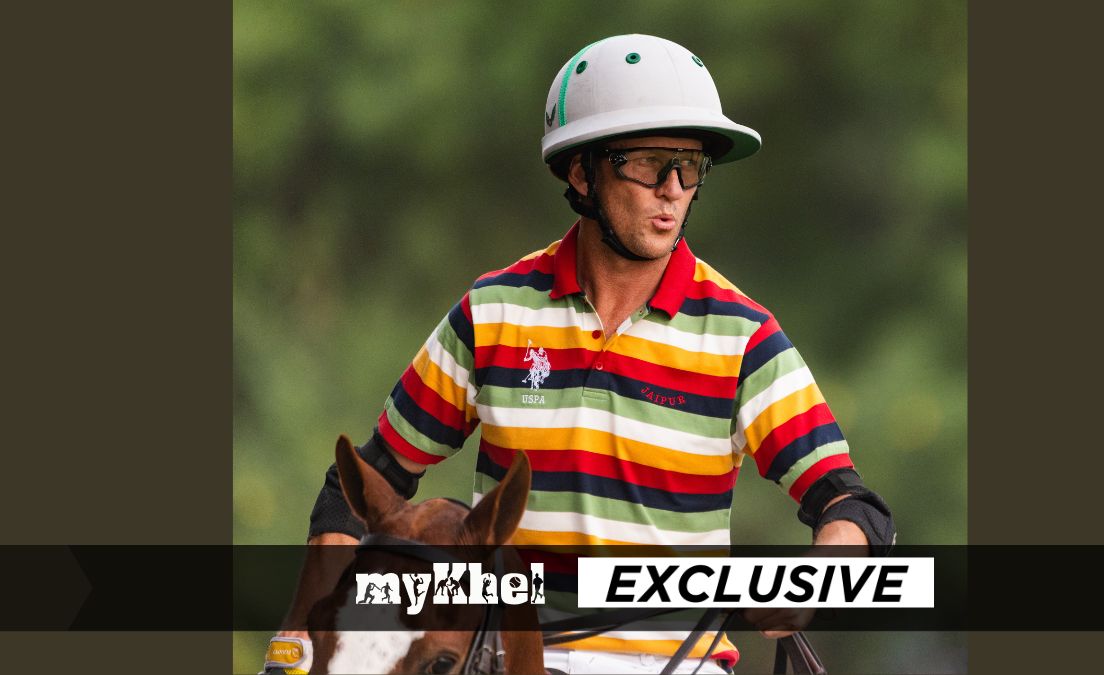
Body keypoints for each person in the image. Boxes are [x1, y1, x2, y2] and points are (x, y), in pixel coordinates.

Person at [261, 34, 895, 675]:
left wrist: (814, 580)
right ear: (581, 172)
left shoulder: (743, 336)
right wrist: (302, 635)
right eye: (649, 164)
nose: (673, 190)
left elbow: (851, 506)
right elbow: (365, 484)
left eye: (690, 166)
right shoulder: (492, 313)